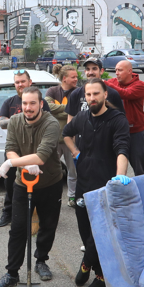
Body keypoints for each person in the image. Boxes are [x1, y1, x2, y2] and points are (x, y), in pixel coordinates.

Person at [63, 78, 130, 287]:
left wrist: (119, 178)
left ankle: (95, 272)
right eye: (88, 95)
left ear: (105, 95)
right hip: (84, 184)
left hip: (105, 187)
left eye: (96, 94)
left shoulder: (117, 120)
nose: (92, 98)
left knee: (101, 234)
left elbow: (122, 150)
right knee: (85, 232)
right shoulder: (82, 117)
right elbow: (66, 133)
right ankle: (93, 265)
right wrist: (75, 152)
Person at [0, 86, 65, 287]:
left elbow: (41, 157)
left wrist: (11, 163)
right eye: (25, 103)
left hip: (50, 183)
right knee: (18, 229)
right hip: (22, 184)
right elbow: (11, 149)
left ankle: (41, 260)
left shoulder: (50, 124)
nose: (28, 107)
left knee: (47, 226)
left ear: (41, 104)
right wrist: (23, 165)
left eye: (33, 103)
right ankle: (12, 273)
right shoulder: (15, 121)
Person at [0, 70, 50, 228]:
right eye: (17, 82)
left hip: (35, 150)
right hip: (14, 150)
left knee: (39, 183)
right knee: (10, 183)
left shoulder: (41, 102)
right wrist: (19, 118)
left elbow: (46, 121)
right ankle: (9, 212)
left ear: (29, 82)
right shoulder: (9, 102)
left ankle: (37, 214)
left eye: (23, 81)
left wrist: (14, 120)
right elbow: (1, 122)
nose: (20, 84)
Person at [105, 59, 144, 176]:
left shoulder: (140, 85)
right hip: (116, 132)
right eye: (115, 70)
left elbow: (126, 94)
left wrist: (107, 84)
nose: (116, 73)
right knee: (114, 166)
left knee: (139, 167)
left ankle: (142, 191)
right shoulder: (113, 82)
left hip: (134, 132)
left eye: (120, 70)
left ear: (130, 71)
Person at [46, 65, 79, 206]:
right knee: (50, 170)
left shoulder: (78, 92)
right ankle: (51, 197)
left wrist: (58, 111)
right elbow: (47, 108)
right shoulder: (53, 90)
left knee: (73, 171)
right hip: (53, 138)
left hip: (71, 139)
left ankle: (72, 197)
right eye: (73, 77)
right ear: (64, 78)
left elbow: (78, 112)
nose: (76, 79)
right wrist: (69, 110)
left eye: (77, 77)